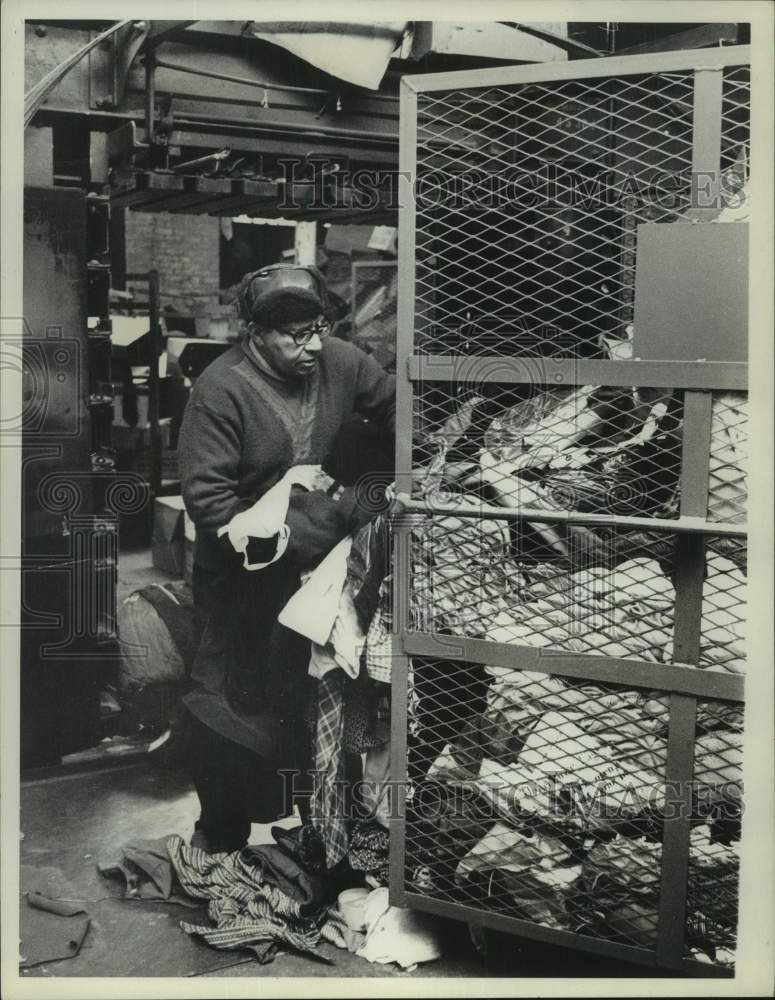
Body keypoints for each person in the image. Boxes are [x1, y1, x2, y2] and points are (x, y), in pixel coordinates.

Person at [177, 263, 396, 854]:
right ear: (255, 333)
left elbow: (402, 412)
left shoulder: (342, 363)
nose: (313, 345)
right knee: (227, 708)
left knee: (311, 705)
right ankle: (219, 837)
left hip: (316, 580)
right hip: (240, 582)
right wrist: (334, 513)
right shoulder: (220, 391)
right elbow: (212, 507)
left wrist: (371, 483)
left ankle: (317, 836)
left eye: (319, 327)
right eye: (295, 335)